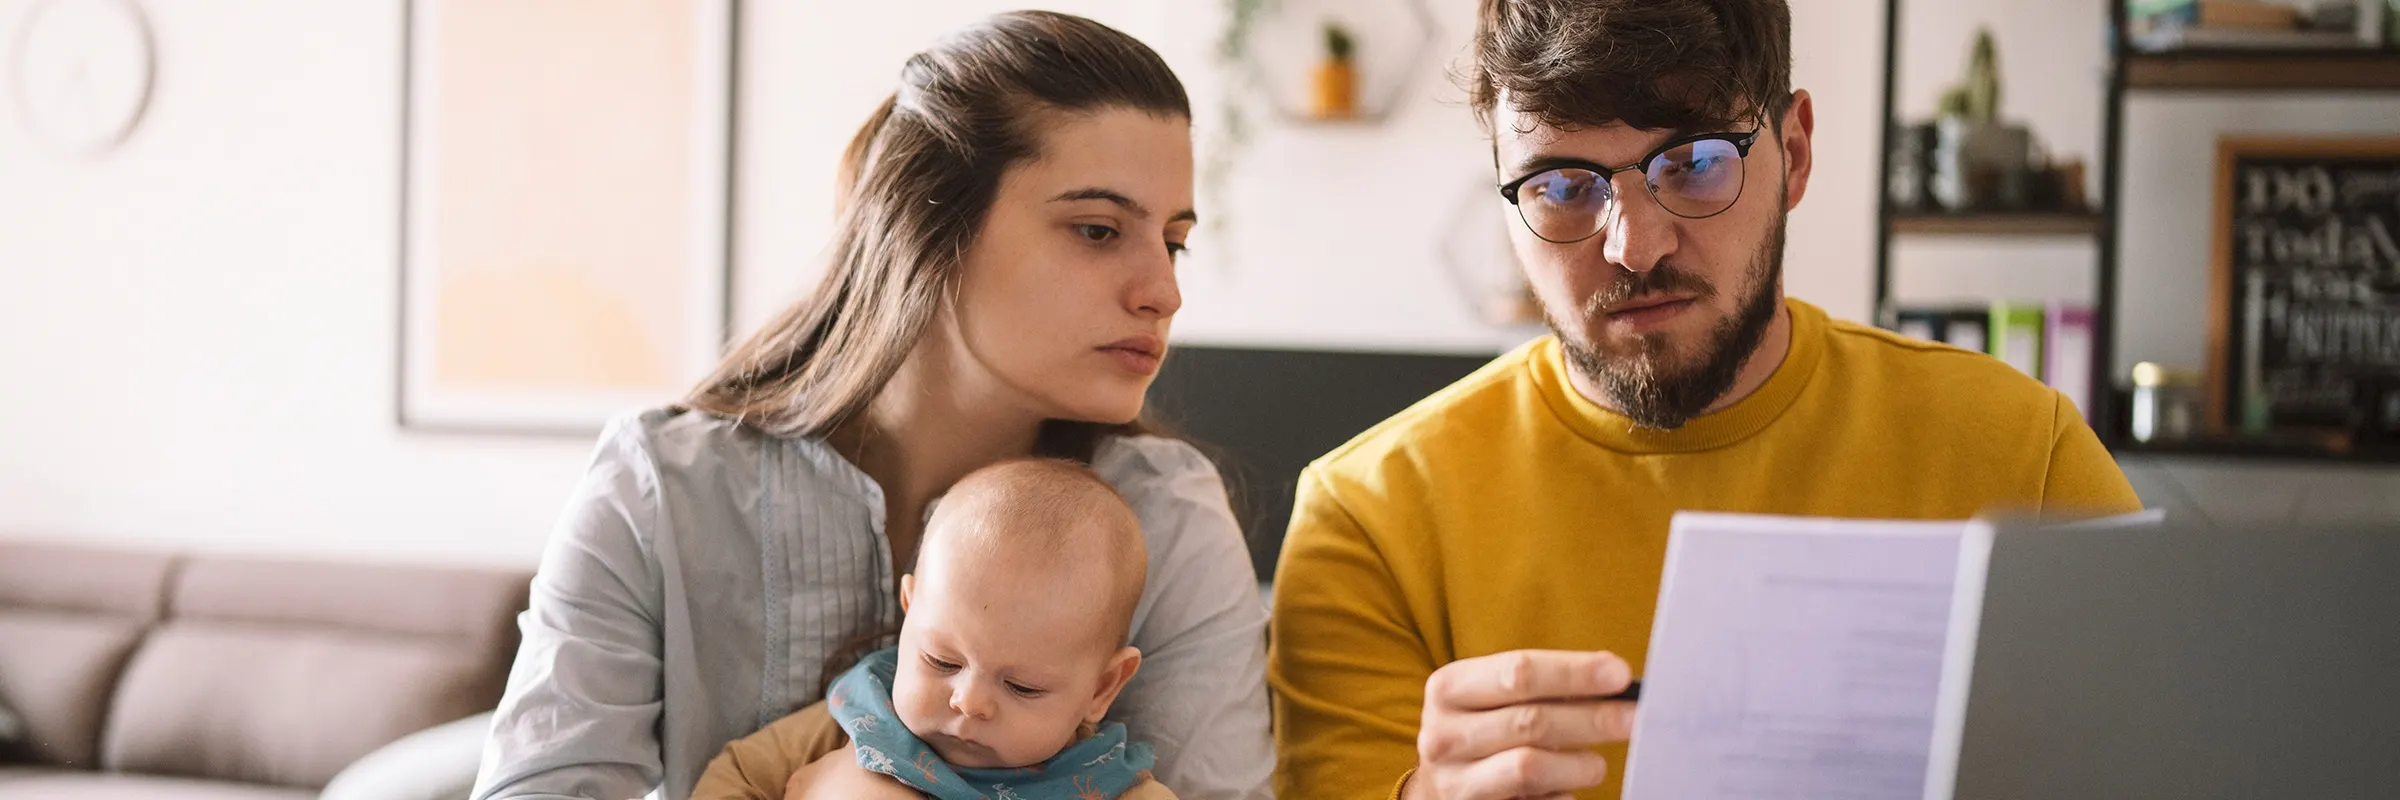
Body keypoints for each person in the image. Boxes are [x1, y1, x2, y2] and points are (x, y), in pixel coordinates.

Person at [1266, 1, 2143, 798]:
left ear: (1793, 154)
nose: (1635, 245)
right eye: (1564, 188)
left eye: (1692, 164)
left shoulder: (2024, 454)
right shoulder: (1368, 516)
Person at [470, 12, 1272, 800]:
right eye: (1098, 230)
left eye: (1173, 241)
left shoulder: (1168, 521)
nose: (1163, 291)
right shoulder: (659, 491)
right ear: (927, 225)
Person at [691, 459, 1175, 800]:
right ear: (910, 614)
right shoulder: (862, 714)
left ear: (1103, 686)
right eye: (942, 661)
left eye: (1021, 686)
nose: (968, 701)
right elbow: (738, 774)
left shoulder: (1110, 784)